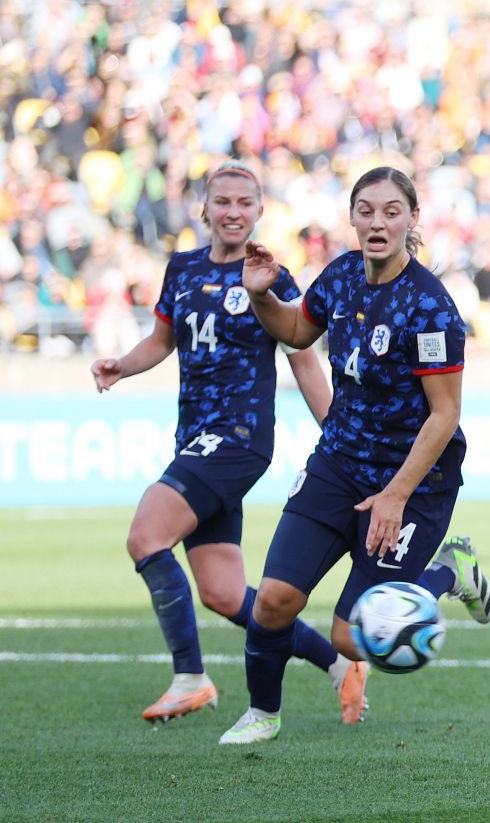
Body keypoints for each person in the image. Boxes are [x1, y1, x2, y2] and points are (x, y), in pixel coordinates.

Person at [217, 166, 490, 746]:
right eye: (366, 210)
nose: (378, 222)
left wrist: (395, 496)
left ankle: (450, 570)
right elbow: (296, 332)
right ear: (352, 217)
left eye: (392, 211)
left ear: (412, 220)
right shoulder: (342, 276)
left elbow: (445, 415)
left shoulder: (431, 309)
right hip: (339, 462)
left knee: (352, 637)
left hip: (415, 481)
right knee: (273, 601)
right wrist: (260, 294)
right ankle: (263, 714)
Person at [90, 162, 349, 723]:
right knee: (225, 594)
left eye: (245, 203)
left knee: (145, 535)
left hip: (238, 438)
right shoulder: (181, 269)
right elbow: (161, 341)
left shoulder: (271, 277)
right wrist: (121, 366)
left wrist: (337, 434)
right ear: (204, 209)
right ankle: (338, 665)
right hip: (194, 438)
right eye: (223, 202)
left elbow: (304, 362)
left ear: (259, 211)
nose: (234, 212)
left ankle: (190, 676)